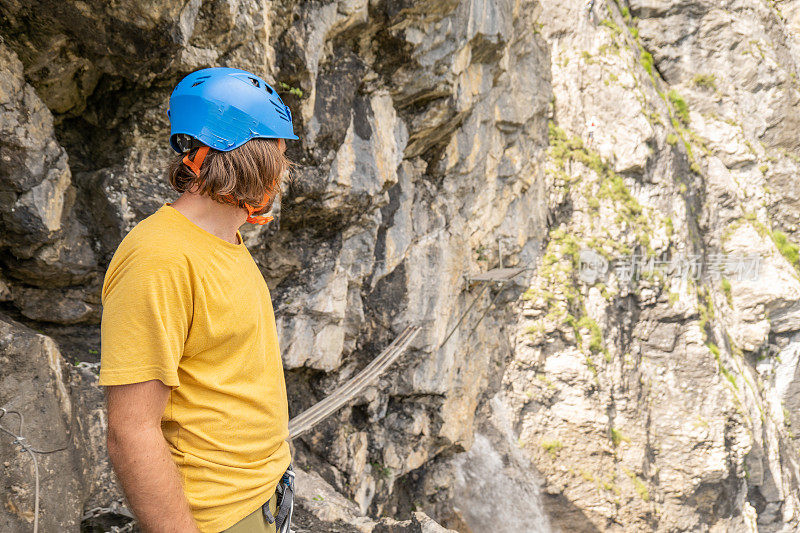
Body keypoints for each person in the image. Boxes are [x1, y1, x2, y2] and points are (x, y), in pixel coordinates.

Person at [98, 67, 299, 533]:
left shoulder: (223, 237)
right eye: (280, 152)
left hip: (264, 496)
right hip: (219, 517)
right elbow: (131, 430)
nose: (284, 169)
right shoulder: (159, 258)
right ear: (255, 157)